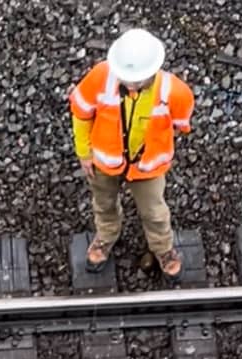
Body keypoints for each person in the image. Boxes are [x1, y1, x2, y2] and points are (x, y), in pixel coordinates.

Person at [70, 28, 194, 280]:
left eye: (137, 79)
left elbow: (182, 125)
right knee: (104, 204)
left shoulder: (176, 93)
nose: (130, 84)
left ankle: (163, 248)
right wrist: (84, 152)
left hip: (148, 168)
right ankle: (106, 237)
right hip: (104, 162)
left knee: (155, 212)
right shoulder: (100, 77)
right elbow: (81, 113)